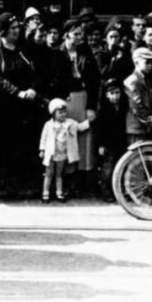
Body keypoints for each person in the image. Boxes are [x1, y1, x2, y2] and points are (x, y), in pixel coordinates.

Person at [0, 12, 49, 198]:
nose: (17, 32)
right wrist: (16, 92)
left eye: (18, 28)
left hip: (25, 105)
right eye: (13, 29)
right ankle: (8, 185)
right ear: (3, 31)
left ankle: (25, 182)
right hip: (4, 106)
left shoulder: (24, 48)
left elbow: (37, 70)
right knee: (5, 146)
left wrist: (33, 89)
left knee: (24, 144)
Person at [52, 19, 101, 198]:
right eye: (76, 34)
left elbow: (95, 80)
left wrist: (91, 107)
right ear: (66, 35)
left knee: (84, 142)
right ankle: (65, 182)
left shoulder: (85, 51)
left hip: (83, 98)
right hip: (65, 100)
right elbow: (55, 79)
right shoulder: (57, 53)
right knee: (66, 139)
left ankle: (81, 183)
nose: (80, 38)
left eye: (81, 34)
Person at [39, 98, 92, 203]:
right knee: (49, 173)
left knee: (59, 174)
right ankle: (45, 193)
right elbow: (43, 138)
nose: (63, 115)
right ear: (53, 114)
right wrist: (42, 149)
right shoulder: (49, 125)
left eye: (64, 112)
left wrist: (89, 122)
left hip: (61, 153)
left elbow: (80, 127)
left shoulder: (70, 123)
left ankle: (59, 193)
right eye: (60, 113)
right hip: (50, 153)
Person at [95, 79, 128, 203]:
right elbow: (99, 129)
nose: (115, 96)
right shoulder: (104, 110)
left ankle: (117, 191)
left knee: (120, 167)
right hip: (108, 143)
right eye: (112, 94)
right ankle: (106, 191)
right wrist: (100, 145)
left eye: (117, 93)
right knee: (107, 169)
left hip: (120, 141)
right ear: (107, 95)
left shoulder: (123, 107)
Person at [124, 47, 152, 144]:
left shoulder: (146, 79)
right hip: (136, 126)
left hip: (143, 127)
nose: (150, 66)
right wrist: (148, 119)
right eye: (147, 63)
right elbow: (136, 105)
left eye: (151, 63)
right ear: (136, 62)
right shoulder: (132, 81)